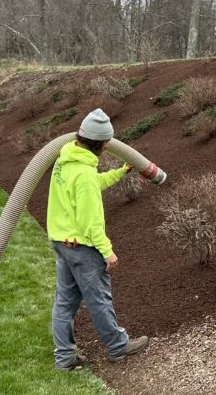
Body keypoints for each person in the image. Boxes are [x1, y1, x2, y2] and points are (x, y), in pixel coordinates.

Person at [47, 108, 148, 370]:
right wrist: (107, 251)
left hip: (62, 241)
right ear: (102, 143)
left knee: (65, 302)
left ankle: (65, 358)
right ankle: (117, 347)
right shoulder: (83, 175)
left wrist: (119, 173)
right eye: (107, 142)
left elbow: (90, 184)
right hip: (82, 245)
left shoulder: (66, 159)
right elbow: (90, 221)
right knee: (98, 299)